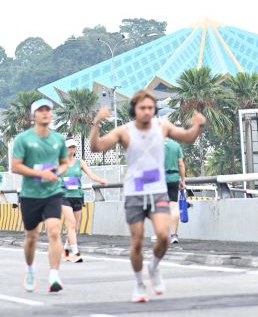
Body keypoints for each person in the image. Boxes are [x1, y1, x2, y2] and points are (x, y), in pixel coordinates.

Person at [90, 89, 206, 304]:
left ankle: (153, 267)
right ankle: (138, 283)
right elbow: (96, 147)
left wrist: (198, 125)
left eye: (150, 108)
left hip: (157, 191)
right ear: (134, 109)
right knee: (137, 242)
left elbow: (187, 137)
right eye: (142, 108)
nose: (146, 111)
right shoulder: (124, 131)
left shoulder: (162, 127)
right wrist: (96, 124)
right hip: (134, 193)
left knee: (163, 236)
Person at [11, 99, 68, 293]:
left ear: (51, 114)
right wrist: (40, 173)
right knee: (31, 236)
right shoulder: (23, 139)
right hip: (30, 194)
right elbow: (15, 166)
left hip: (53, 192)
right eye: (40, 110)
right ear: (33, 115)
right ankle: (29, 269)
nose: (45, 113)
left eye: (48, 110)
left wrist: (57, 172)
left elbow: (64, 163)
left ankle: (54, 275)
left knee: (54, 232)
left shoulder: (58, 139)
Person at [62, 137, 107, 263]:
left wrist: (100, 180)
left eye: (73, 147)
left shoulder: (80, 162)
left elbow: (91, 174)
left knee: (75, 228)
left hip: (77, 195)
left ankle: (65, 251)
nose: (71, 149)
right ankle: (75, 253)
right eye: (69, 147)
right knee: (71, 224)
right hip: (64, 196)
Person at [164, 137, 186, 244]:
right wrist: (183, 180)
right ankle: (173, 235)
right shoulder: (176, 146)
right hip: (173, 179)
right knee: (173, 207)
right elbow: (181, 164)